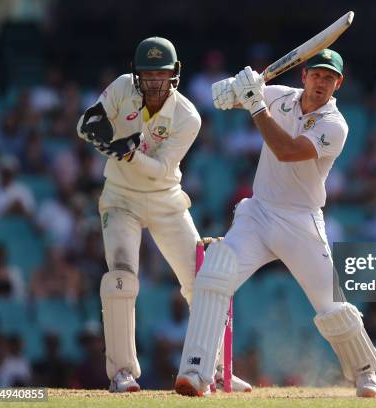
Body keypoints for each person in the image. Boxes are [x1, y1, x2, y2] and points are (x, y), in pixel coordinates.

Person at [174, 49, 376, 398]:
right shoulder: (278, 96)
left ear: (338, 84)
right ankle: (198, 371)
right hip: (258, 214)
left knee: (329, 304)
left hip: (300, 222)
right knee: (213, 275)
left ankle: (365, 372)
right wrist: (242, 84)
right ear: (303, 76)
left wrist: (256, 104)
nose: (321, 83)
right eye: (316, 75)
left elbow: (286, 150)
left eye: (329, 78)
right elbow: (216, 96)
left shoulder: (336, 125)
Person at [76, 37, 250, 393]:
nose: (154, 81)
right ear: (136, 74)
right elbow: (86, 125)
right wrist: (96, 132)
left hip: (165, 199)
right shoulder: (123, 88)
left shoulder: (188, 116)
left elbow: (159, 168)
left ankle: (214, 368)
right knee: (120, 279)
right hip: (121, 197)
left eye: (162, 73)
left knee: (203, 282)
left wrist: (125, 152)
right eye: (148, 73)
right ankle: (122, 373)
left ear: (174, 75)